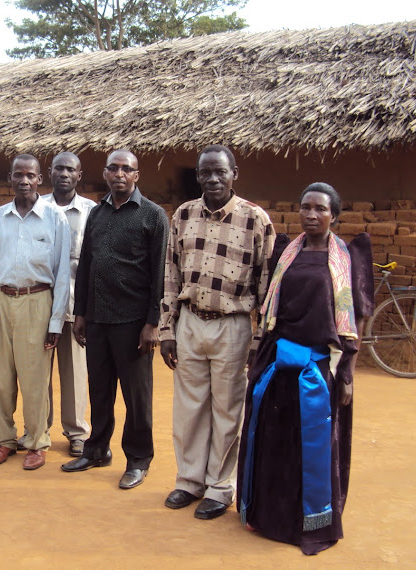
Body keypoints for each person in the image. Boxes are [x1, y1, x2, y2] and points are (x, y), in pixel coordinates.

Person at [237, 183, 373, 554]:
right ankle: (268, 516)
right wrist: (257, 359)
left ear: (334, 216)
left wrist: (346, 373)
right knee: (272, 440)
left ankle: (308, 522)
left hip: (317, 367)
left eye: (320, 210)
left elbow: (357, 320)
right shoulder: (286, 253)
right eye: (305, 207)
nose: (311, 215)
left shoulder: (347, 259)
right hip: (277, 364)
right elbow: (268, 312)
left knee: (308, 446)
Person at [158, 144, 275, 519]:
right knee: (189, 409)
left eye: (220, 172)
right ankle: (189, 480)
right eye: (205, 172)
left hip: (233, 326)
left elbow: (266, 285)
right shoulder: (183, 214)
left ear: (234, 174)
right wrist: (167, 329)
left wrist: (260, 339)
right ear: (197, 176)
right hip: (190, 322)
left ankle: (220, 487)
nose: (212, 179)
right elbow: (170, 274)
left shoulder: (256, 220)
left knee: (227, 410)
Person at [61, 149, 168, 490]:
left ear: (137, 175)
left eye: (127, 169)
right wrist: (80, 313)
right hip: (97, 319)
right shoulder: (97, 213)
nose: (119, 174)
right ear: (105, 173)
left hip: (134, 322)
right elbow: (87, 266)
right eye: (113, 168)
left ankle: (138, 460)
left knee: (137, 397)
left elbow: (159, 274)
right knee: (99, 389)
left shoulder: (152, 215)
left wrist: (153, 322)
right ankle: (96, 450)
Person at [0, 154, 70, 470]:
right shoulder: (0, 215)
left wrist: (56, 321)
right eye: (18, 175)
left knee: (34, 377)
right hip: (3, 300)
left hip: (37, 300)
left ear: (39, 180)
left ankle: (36, 441)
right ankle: (4, 440)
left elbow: (62, 273)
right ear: (10, 178)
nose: (24, 181)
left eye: (30, 175)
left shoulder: (54, 218)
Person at [40, 152, 95, 457]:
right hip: (41, 300)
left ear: (79, 175)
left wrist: (88, 308)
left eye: (70, 169)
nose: (64, 173)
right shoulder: (38, 208)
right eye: (58, 168)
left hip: (76, 302)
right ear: (49, 172)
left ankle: (76, 432)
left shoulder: (92, 211)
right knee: (39, 369)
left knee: (74, 370)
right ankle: (39, 427)